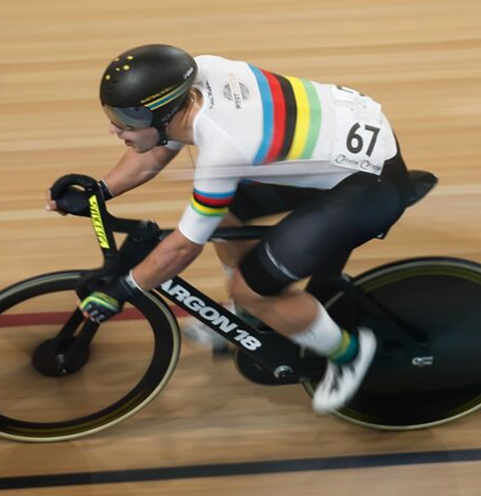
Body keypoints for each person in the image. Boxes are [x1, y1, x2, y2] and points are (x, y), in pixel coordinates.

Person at [46, 44, 414, 414]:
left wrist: (126, 288)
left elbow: (184, 248)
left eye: (126, 120)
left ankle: (349, 353)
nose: (115, 128)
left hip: (367, 187)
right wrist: (102, 189)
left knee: (251, 288)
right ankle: (248, 315)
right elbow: (160, 143)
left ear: (163, 113)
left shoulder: (224, 149)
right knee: (222, 215)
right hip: (340, 142)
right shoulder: (195, 76)